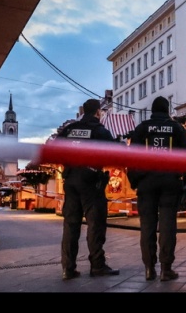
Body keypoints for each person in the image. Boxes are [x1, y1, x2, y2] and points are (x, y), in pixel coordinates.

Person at [127, 96, 186, 281]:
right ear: (167, 109)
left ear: (152, 110)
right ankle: (166, 268)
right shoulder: (176, 128)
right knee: (167, 226)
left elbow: (131, 157)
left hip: (146, 182)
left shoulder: (142, 128)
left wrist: (135, 180)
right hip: (170, 181)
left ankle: (149, 268)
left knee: (147, 226)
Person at [57, 98, 120, 280]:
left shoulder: (69, 129)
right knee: (95, 224)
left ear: (83, 111)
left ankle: (68, 268)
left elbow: (55, 148)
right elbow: (114, 153)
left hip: (71, 180)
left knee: (71, 225)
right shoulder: (100, 131)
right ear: (98, 112)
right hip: (91, 182)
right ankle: (97, 266)